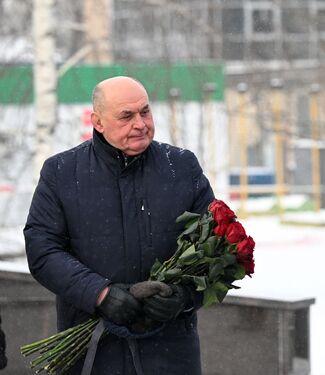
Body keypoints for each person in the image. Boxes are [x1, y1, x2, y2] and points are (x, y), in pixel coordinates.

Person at [24, 76, 215, 375]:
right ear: (98, 122)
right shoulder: (61, 173)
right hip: (93, 355)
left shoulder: (181, 167)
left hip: (170, 354)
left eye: (145, 112)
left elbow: (215, 248)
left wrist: (184, 298)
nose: (140, 123)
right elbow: (42, 251)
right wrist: (99, 294)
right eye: (126, 116)